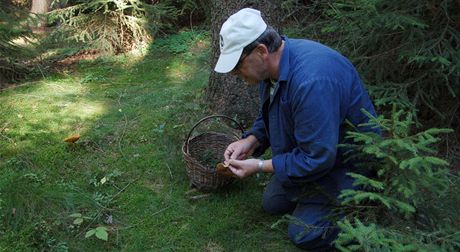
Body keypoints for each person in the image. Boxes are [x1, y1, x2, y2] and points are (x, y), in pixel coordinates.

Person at [214, 8, 381, 251]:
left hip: (347, 164)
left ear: (261, 51)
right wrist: (251, 140)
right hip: (317, 152)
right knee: (272, 203)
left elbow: (318, 157)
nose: (235, 74)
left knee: (303, 233)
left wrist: (260, 166)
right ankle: (314, 197)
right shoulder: (272, 69)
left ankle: (364, 208)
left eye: (237, 65)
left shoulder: (312, 82)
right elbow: (271, 115)